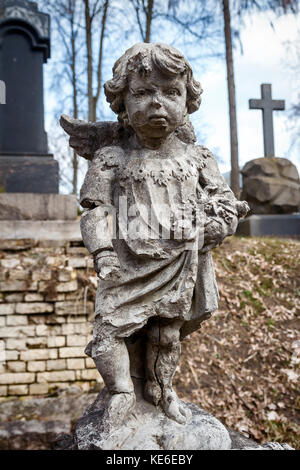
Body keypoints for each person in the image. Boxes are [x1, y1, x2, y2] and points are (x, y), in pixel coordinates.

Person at [78, 42, 248, 429]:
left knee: (166, 333)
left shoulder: (198, 157)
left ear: (188, 100)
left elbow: (224, 202)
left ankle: (162, 390)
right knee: (107, 333)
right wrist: (102, 251)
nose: (158, 103)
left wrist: (216, 225)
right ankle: (122, 391)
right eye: (142, 92)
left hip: (179, 260)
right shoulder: (111, 157)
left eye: (171, 92)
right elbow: (95, 211)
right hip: (122, 264)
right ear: (122, 101)